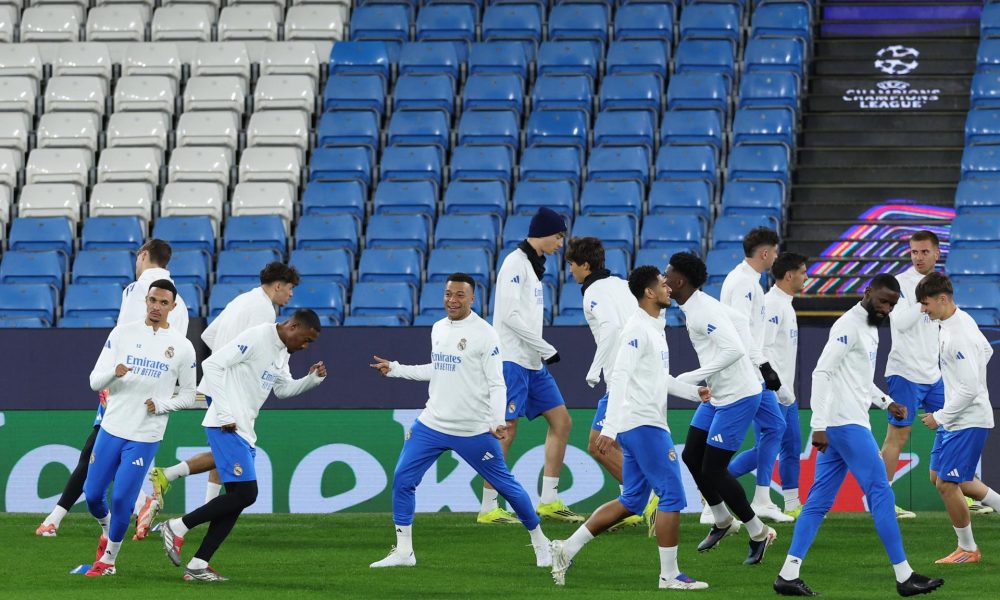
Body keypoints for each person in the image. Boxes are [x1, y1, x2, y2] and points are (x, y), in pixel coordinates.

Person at [774, 274, 943, 597]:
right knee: (880, 491)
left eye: (892, 305)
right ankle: (904, 576)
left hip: (844, 423)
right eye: (882, 301)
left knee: (818, 503)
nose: (886, 309)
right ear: (867, 293)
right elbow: (821, 372)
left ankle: (788, 573)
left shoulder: (868, 329)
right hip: (844, 424)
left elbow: (859, 379)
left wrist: (887, 402)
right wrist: (818, 425)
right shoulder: (848, 326)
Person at [368, 273, 552, 569]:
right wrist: (396, 369)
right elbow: (438, 368)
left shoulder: (485, 334)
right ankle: (404, 552)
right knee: (403, 479)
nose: (452, 300)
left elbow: (497, 383)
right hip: (432, 424)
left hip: (473, 430)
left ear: (472, 298)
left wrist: (497, 420)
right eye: (448, 294)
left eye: (459, 295)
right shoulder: (438, 327)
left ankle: (541, 542)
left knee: (506, 486)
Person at [549, 266, 711, 590]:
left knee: (633, 500)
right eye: (663, 284)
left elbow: (657, 378)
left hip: (640, 422)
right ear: (649, 293)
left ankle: (566, 549)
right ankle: (669, 576)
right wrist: (609, 429)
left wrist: (694, 393)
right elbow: (619, 376)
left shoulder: (653, 327)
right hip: (643, 424)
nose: (668, 288)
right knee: (672, 495)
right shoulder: (637, 330)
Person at [36, 239, 188, 540]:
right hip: (157, 389)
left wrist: (109, 377)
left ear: (143, 255)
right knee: (103, 451)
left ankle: (64, 519)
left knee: (97, 451)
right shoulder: (180, 301)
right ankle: (134, 503)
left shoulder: (138, 291)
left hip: (127, 384)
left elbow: (123, 337)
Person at [160, 310, 326, 581]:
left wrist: (311, 380)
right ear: (293, 325)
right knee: (248, 493)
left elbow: (282, 390)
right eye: (305, 339)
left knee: (236, 500)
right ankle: (177, 526)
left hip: (244, 430)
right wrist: (225, 413)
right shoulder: (259, 335)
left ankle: (199, 564)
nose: (305, 346)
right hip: (226, 424)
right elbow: (212, 365)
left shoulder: (282, 352)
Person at [149, 262, 300, 507]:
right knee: (231, 451)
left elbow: (208, 335)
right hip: (230, 390)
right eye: (290, 288)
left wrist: (221, 361)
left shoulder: (241, 300)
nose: (291, 294)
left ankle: (204, 503)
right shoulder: (265, 312)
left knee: (226, 452)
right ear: (279, 285)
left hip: (215, 383)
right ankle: (170, 476)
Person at [663, 252, 776, 565]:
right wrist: (761, 361)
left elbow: (734, 349)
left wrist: (692, 376)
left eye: (667, 273)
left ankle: (758, 531)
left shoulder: (701, 312)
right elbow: (739, 322)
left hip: (739, 396)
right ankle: (722, 519)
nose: (663, 278)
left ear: (680, 281)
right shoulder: (699, 305)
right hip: (718, 395)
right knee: (691, 455)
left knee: (713, 468)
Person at [82, 279, 197, 576]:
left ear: (173, 306)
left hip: (146, 435)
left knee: (122, 498)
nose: (156, 307)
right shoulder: (122, 334)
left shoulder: (183, 348)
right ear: (145, 301)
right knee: (93, 495)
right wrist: (113, 373)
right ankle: (107, 529)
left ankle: (108, 560)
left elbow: (188, 395)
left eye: (163, 303)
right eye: (152, 300)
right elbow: (95, 380)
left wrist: (162, 405)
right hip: (112, 427)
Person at [482, 207, 580, 524]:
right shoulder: (515, 262)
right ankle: (488, 507)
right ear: (543, 233)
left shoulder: (533, 267)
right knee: (506, 429)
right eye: (558, 236)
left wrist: (539, 351)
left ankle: (549, 499)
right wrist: (545, 347)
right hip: (512, 358)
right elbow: (509, 316)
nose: (560, 243)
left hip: (532, 362)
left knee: (562, 421)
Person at [915, 272, 1000, 563]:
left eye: (925, 304)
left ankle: (968, 549)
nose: (923, 310)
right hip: (958, 417)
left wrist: (939, 416)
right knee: (940, 477)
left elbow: (971, 387)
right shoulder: (955, 322)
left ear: (942, 299)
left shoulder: (958, 334)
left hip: (967, 419)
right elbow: (986, 350)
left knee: (947, 484)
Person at [565, 236, 646, 532]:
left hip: (620, 380)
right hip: (642, 375)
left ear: (585, 265)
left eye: (572, 265)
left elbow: (610, 327)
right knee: (629, 448)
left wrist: (594, 368)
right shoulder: (623, 285)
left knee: (598, 446)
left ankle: (639, 499)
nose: (570, 271)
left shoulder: (593, 293)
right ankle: (635, 499)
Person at [728, 253, 808, 517]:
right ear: (789, 275)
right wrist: (779, 388)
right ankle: (715, 483)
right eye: (803, 272)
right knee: (765, 447)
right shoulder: (772, 304)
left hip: (787, 393)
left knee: (792, 446)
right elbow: (763, 350)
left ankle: (792, 503)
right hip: (773, 389)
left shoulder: (786, 304)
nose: (806, 276)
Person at [718, 227, 790, 523]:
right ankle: (717, 495)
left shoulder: (746, 280)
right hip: (744, 372)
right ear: (764, 253)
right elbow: (739, 328)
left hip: (746, 369)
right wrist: (763, 365)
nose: (775, 256)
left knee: (775, 427)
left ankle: (758, 497)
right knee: (723, 441)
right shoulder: (745, 284)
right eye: (774, 251)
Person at [881, 230, 946, 519]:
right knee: (899, 434)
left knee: (954, 426)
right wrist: (923, 299)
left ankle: (960, 488)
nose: (918, 257)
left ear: (936, 253)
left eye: (924, 252)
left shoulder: (942, 284)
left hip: (934, 373)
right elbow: (902, 323)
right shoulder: (901, 284)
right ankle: (882, 500)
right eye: (914, 252)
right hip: (904, 372)